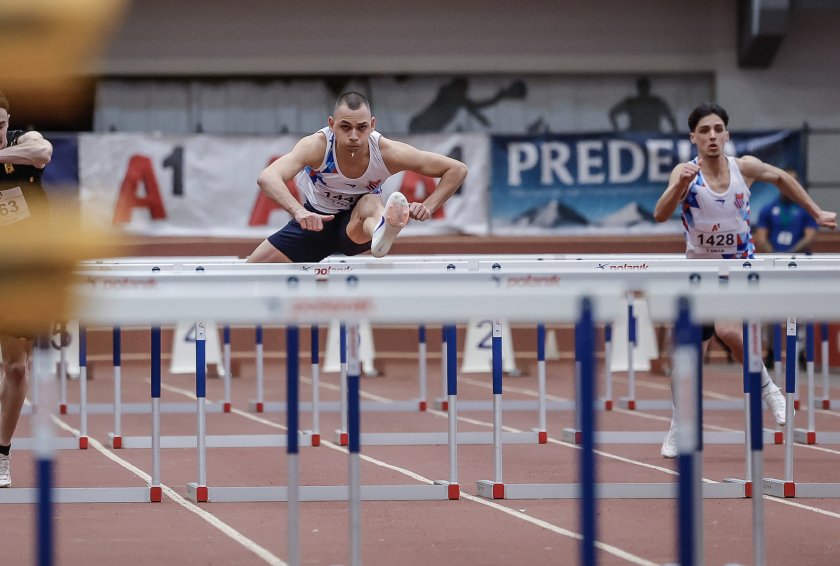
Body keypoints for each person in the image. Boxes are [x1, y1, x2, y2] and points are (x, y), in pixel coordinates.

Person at [653, 102, 837, 458]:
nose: (711, 136)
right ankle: (679, 426)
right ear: (693, 137)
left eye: (717, 129)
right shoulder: (685, 172)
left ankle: (770, 391)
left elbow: (783, 178)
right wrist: (680, 187)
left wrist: (816, 212)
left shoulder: (744, 168)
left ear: (726, 135)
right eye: (704, 131)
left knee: (729, 331)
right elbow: (660, 213)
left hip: (739, 268)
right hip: (700, 273)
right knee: (684, 359)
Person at [247, 91, 468, 263]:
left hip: (357, 228)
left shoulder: (388, 153)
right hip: (315, 224)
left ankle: (382, 232)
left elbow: (457, 169)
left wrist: (429, 206)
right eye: (345, 127)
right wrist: (298, 211)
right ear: (332, 124)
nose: (354, 136)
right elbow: (268, 177)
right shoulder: (317, 147)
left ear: (372, 125)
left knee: (370, 201)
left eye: (361, 127)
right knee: (249, 272)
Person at [0, 90, 54, 487]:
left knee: (17, 369)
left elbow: (42, 154)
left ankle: (1, 453)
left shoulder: (24, 140)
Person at [753, 169, 819, 255]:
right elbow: (761, 238)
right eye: (785, 182)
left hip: (801, 258)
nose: (789, 186)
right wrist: (776, 255)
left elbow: (809, 238)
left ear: (797, 184)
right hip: (774, 260)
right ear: (778, 184)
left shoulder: (807, 209)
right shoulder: (767, 209)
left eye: (792, 182)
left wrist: (790, 254)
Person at [609, 76, 677, 133]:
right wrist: (617, 131)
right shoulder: (632, 102)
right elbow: (612, 113)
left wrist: (675, 134)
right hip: (635, 134)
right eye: (642, 87)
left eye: (645, 87)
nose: (643, 89)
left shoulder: (656, 102)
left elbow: (671, 118)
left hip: (653, 134)